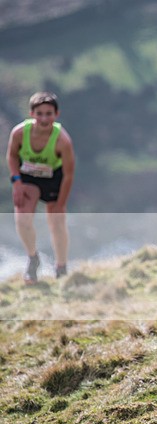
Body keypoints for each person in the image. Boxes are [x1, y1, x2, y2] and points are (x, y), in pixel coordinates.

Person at [6, 91, 75, 284]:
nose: (44, 118)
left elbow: (69, 174)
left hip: (54, 178)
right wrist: (16, 182)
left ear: (56, 114)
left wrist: (61, 203)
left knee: (57, 223)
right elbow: (11, 156)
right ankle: (33, 258)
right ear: (31, 114)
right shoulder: (19, 133)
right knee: (22, 220)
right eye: (40, 113)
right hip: (28, 177)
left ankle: (61, 267)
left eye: (49, 114)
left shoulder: (63, 141)